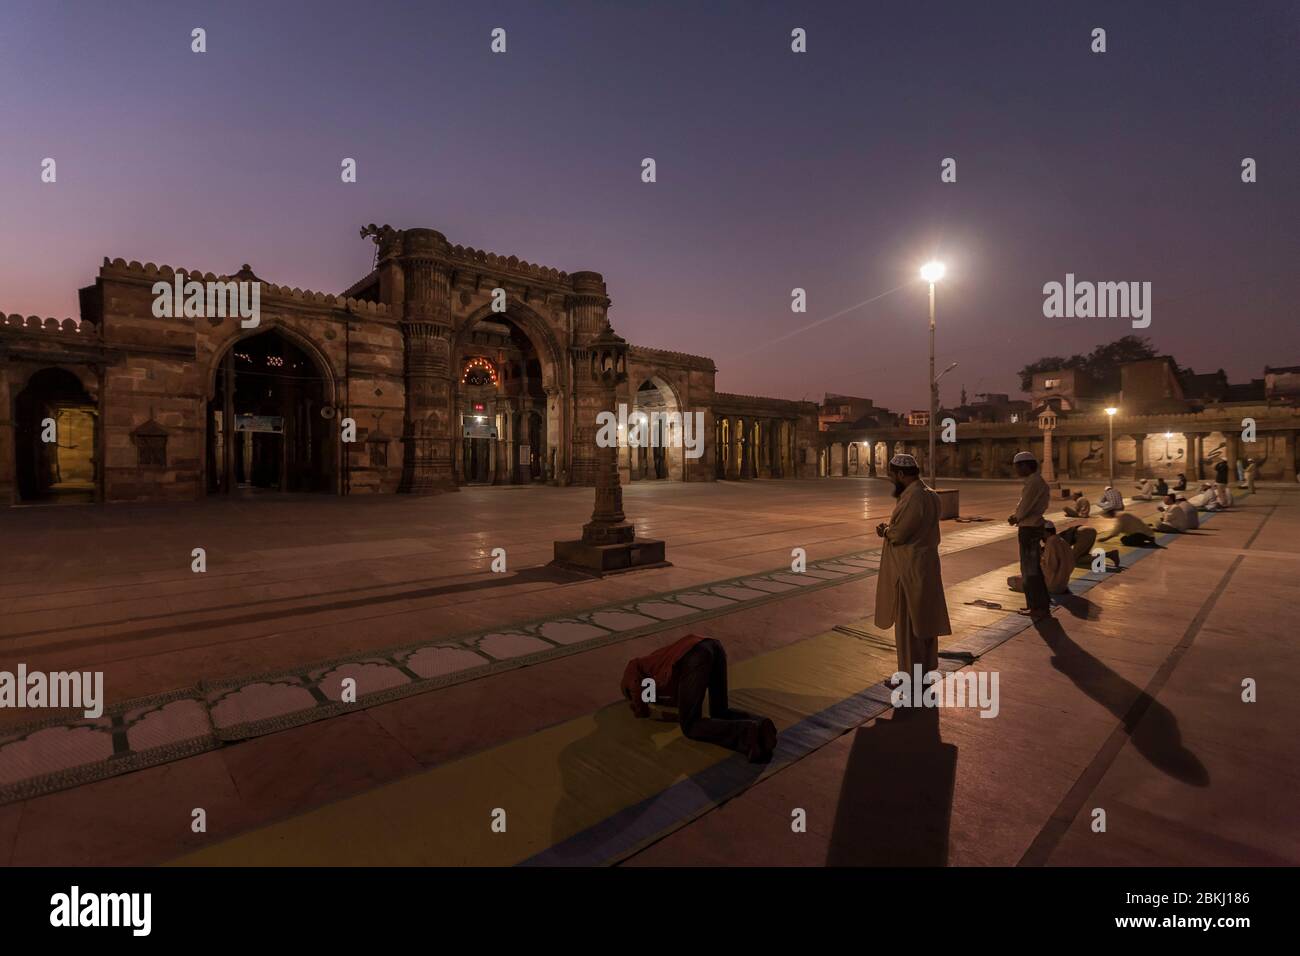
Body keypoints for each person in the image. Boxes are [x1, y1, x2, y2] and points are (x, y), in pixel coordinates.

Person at [621, 634, 777, 762]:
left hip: (695, 656)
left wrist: (639, 708)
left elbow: (637, 690)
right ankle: (760, 724)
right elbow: (676, 696)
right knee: (720, 711)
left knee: (690, 726)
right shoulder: (655, 667)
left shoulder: (634, 668)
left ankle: (749, 734)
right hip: (712, 646)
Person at [875, 454, 952, 686]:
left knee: (909, 626)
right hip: (926, 566)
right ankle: (926, 670)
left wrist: (886, 531)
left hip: (909, 569)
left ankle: (909, 677)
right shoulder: (930, 494)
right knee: (925, 621)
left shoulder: (914, 497)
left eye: (892, 476)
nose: (891, 481)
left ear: (900, 474)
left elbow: (901, 534)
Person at [1007, 450, 1052, 620]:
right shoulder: (1036, 482)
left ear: (1025, 466)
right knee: (1033, 569)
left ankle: (1038, 608)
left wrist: (1015, 517)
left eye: (1017, 467)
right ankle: (1039, 605)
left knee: (1030, 570)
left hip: (1029, 529)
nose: (1016, 470)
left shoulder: (1033, 483)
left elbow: (1025, 506)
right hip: (1033, 526)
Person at [1007, 520, 1073, 595]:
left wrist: (1038, 557)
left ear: (1045, 532)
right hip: (1062, 585)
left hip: (1051, 586)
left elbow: (1050, 568)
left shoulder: (1051, 542)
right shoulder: (1061, 540)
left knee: (1011, 580)